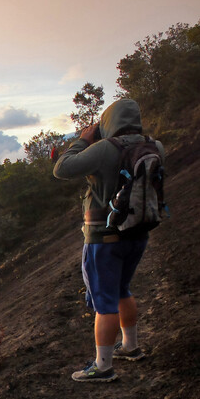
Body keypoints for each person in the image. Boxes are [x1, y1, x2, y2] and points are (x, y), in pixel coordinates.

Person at [53, 98, 164, 382]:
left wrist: (81, 141)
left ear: (108, 122)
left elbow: (62, 168)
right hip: (138, 233)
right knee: (123, 289)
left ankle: (103, 366)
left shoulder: (104, 149)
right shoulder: (155, 146)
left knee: (105, 303)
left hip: (104, 239)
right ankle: (130, 346)